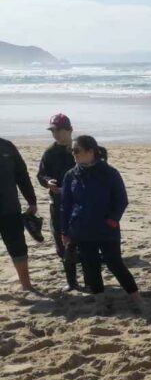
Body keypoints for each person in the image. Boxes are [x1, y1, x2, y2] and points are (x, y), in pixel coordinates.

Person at [61, 136, 142, 308]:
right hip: (81, 229)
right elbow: (66, 205)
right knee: (90, 266)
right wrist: (64, 231)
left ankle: (135, 296)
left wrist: (113, 220)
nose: (74, 154)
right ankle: (100, 299)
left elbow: (121, 200)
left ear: (91, 151)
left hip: (107, 229)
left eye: (77, 151)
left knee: (115, 263)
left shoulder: (109, 173)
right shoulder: (71, 175)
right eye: (72, 151)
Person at [37, 113, 79, 291]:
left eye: (59, 130)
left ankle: (92, 277)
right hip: (58, 203)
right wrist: (48, 182)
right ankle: (71, 281)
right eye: (53, 130)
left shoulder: (79, 149)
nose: (56, 134)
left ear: (69, 130)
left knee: (84, 241)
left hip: (80, 204)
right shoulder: (50, 152)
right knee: (62, 242)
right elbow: (41, 174)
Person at [0, 136, 38, 291]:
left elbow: (21, 174)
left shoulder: (7, 147)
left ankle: (26, 285)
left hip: (9, 208)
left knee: (18, 247)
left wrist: (32, 200)